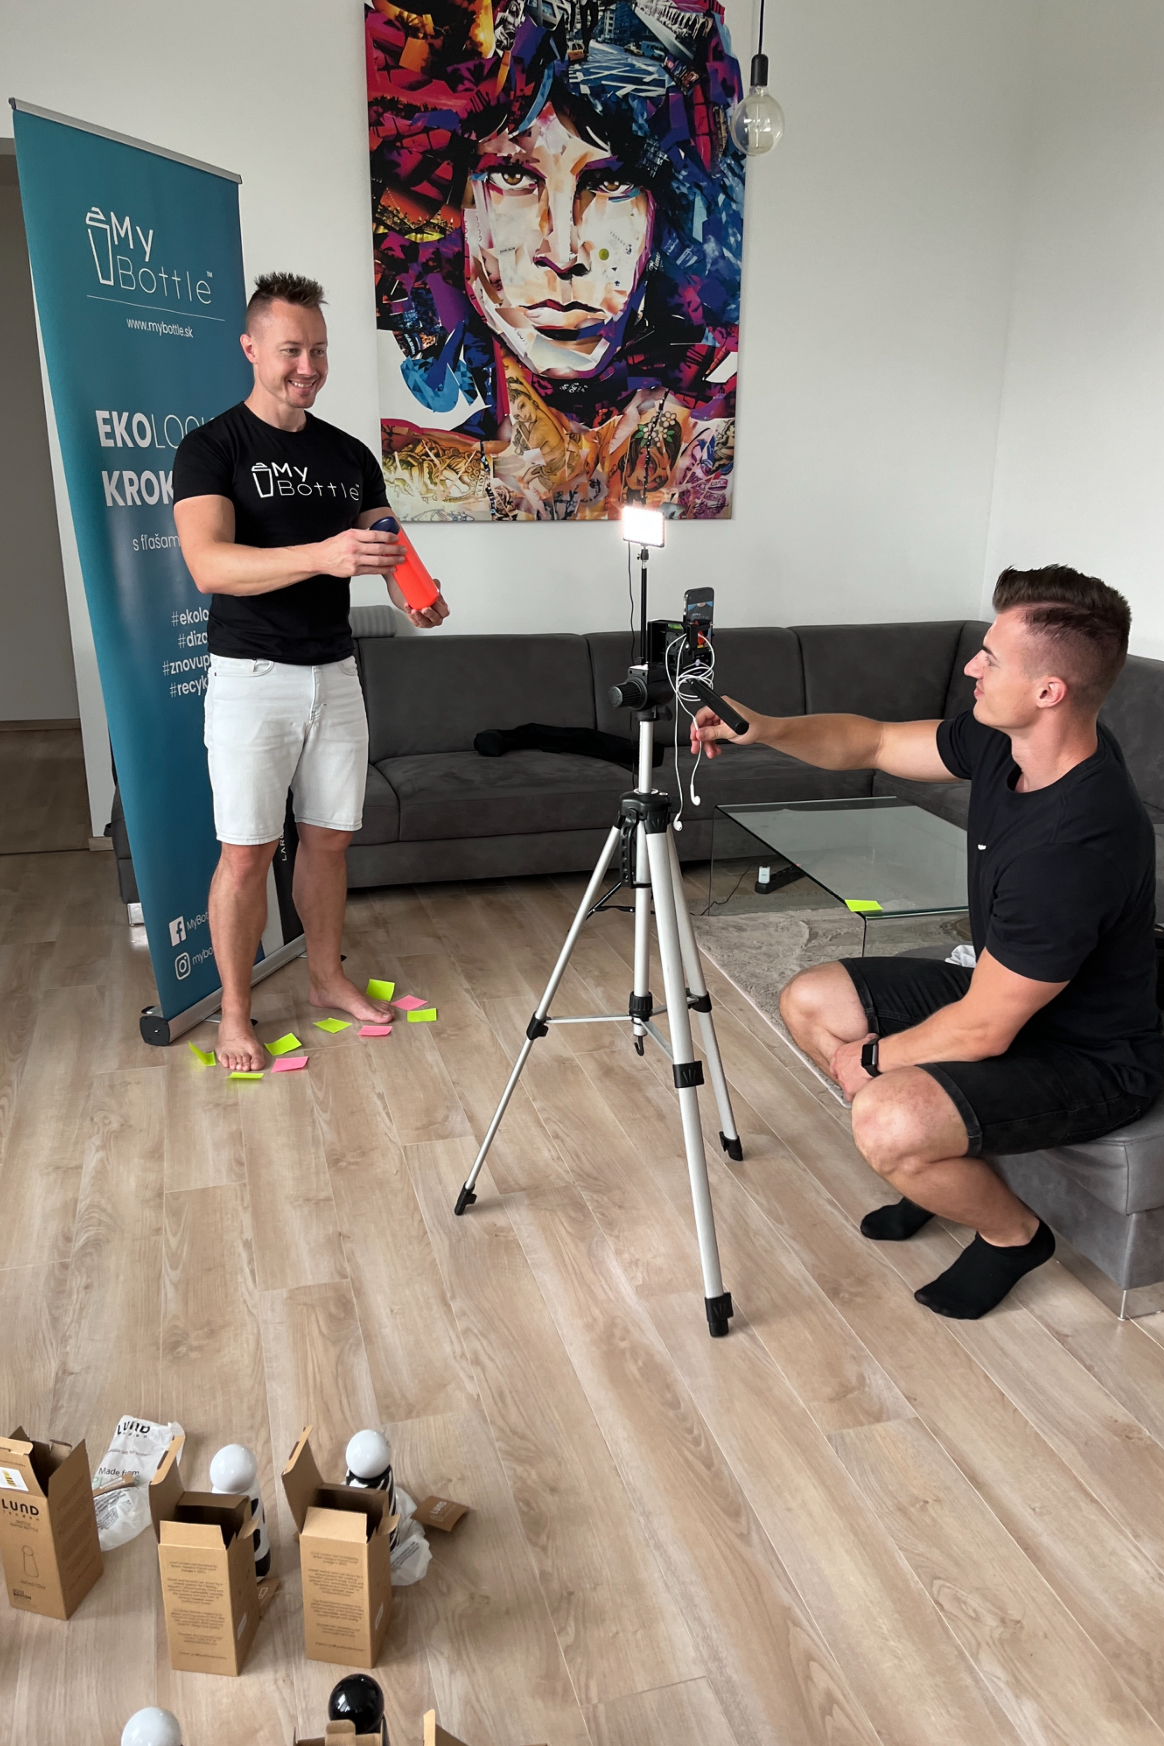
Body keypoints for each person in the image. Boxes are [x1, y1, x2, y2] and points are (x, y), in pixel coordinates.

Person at [691, 567, 1164, 1319]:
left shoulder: (1076, 846)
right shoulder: (1010, 742)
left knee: (886, 1118)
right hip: (1006, 995)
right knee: (812, 1001)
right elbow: (875, 741)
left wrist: (873, 1061)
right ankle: (935, 1170)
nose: (973, 667)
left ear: (1049, 691)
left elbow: (983, 1030)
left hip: (1089, 1054)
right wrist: (769, 728)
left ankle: (1012, 1235)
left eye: (992, 659)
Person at [173, 272, 450, 1072]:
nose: (308, 366)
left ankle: (326, 978)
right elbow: (209, 565)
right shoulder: (212, 448)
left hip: (335, 672)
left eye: (319, 351)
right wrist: (322, 556)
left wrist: (414, 592)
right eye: (291, 349)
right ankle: (235, 1015)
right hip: (251, 678)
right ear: (251, 347)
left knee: (328, 842)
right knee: (247, 854)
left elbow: (384, 537)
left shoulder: (348, 453)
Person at [366, 0, 743, 521]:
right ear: (454, 210)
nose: (563, 255)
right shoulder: (399, 482)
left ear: (663, 214)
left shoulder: (715, 448)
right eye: (515, 178)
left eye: (610, 183)